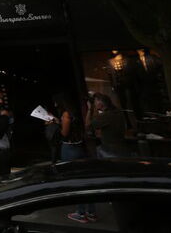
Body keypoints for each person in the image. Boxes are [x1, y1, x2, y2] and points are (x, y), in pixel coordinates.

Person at [53, 93, 95, 223]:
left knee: (75, 182)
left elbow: (65, 134)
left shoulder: (66, 114)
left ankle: (81, 213)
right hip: (80, 147)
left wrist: (54, 126)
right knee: (86, 180)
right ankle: (91, 212)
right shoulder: (76, 112)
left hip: (69, 148)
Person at [88, 92, 128, 158]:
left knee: (95, 151)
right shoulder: (117, 112)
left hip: (111, 151)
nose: (94, 104)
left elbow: (88, 125)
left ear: (100, 103)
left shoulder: (106, 116)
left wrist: (89, 109)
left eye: (95, 101)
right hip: (121, 147)